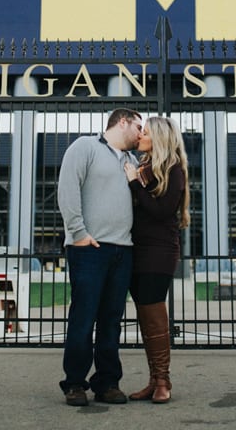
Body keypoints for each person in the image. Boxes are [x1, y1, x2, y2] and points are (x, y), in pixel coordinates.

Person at [56, 107, 143, 407]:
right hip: (88, 248)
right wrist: (78, 232)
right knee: (84, 317)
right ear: (123, 122)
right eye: (138, 127)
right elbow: (67, 189)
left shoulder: (133, 162)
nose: (141, 134)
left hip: (123, 250)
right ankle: (75, 384)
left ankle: (107, 382)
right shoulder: (85, 147)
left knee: (111, 320)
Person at [123, 115, 190, 404]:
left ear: (159, 137)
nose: (140, 136)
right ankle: (153, 379)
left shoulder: (174, 169)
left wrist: (134, 184)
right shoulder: (144, 167)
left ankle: (163, 379)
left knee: (154, 312)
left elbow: (162, 212)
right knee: (144, 316)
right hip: (135, 248)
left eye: (145, 132)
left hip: (159, 250)